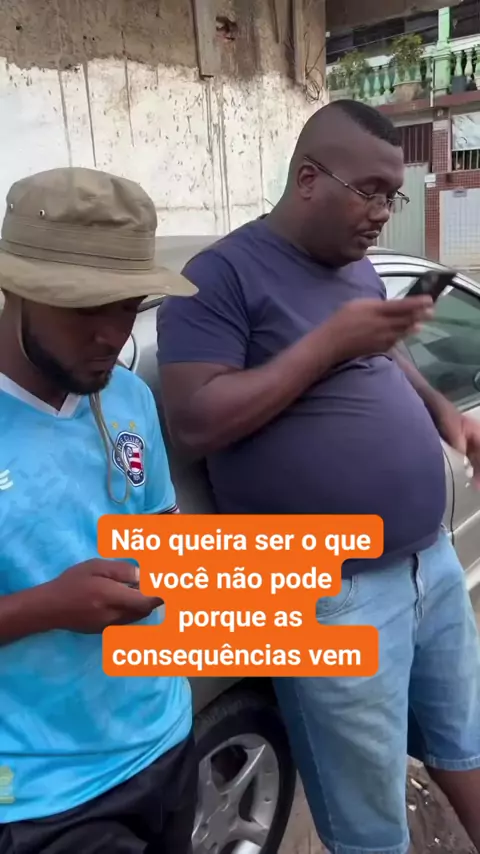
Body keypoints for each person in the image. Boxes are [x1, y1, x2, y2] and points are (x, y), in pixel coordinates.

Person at [156, 100, 480, 854]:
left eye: (392, 196)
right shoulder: (218, 278)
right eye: (370, 191)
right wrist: (327, 344)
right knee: (367, 811)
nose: (383, 213)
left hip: (427, 562)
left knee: (463, 742)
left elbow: (386, 354)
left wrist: (446, 415)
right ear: (308, 179)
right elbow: (196, 420)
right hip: (330, 590)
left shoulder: (355, 269)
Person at [0, 166, 198, 854]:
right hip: (43, 794)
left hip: (165, 738)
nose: (113, 335)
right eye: (87, 308)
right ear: (16, 290)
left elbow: (163, 533)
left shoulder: (128, 396)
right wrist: (47, 607)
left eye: (128, 305)